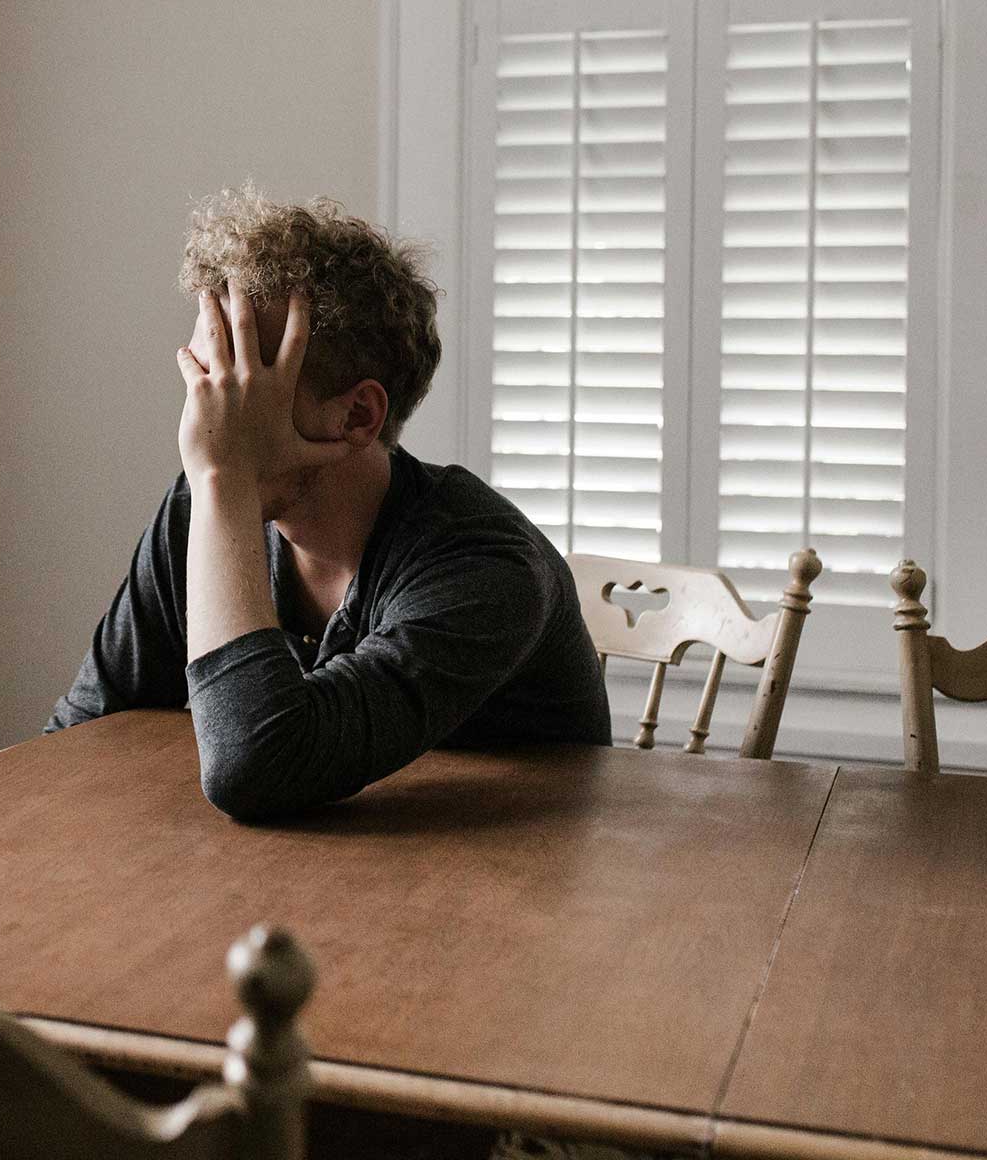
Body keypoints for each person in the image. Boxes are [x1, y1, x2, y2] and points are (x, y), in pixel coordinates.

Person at [47, 185, 611, 822]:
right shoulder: (203, 507)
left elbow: (255, 767)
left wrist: (225, 482)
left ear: (358, 415)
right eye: (205, 376)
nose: (205, 417)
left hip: (514, 889)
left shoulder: (486, 565)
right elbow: (77, 738)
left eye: (243, 382)